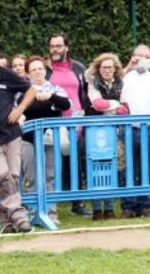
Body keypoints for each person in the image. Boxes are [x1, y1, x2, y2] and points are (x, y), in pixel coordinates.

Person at [18, 56, 71, 224]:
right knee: (32, 178)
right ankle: (34, 214)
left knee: (50, 176)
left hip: (50, 140)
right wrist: (47, 102)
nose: (38, 72)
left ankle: (51, 214)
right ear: (27, 73)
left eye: (40, 68)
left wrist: (49, 96)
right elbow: (27, 109)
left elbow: (65, 104)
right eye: (34, 69)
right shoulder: (22, 90)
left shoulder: (55, 88)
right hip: (27, 140)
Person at [120, 44, 150, 218]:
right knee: (127, 168)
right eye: (138, 55)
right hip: (128, 127)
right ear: (133, 56)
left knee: (149, 168)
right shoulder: (127, 75)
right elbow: (116, 89)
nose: (141, 59)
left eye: (145, 56)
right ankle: (128, 205)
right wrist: (128, 67)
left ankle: (145, 204)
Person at [46, 33, 92, 216]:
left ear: (66, 47)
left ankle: (77, 203)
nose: (55, 50)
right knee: (51, 163)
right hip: (53, 123)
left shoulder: (78, 68)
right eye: (52, 46)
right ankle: (50, 203)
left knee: (76, 163)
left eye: (58, 46)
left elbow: (86, 92)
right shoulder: (45, 68)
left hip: (76, 122)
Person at [0, 56, 36, 233]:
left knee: (12, 177)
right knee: (0, 175)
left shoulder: (7, 75)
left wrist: (19, 109)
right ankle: (19, 217)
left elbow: (31, 90)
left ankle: (7, 222)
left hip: (11, 135)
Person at [86, 53, 130, 220]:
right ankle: (97, 209)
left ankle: (110, 208)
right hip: (94, 132)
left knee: (113, 167)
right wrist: (116, 105)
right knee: (95, 168)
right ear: (98, 69)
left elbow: (126, 109)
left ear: (115, 69)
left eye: (110, 67)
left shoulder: (121, 83)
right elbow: (97, 104)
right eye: (104, 67)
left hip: (115, 132)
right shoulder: (92, 83)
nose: (107, 70)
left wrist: (112, 106)